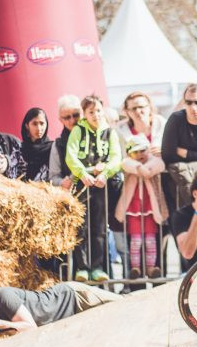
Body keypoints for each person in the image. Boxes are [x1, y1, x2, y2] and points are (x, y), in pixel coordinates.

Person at [66, 95, 122, 282]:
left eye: (98, 110)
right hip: (82, 185)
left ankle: (97, 266)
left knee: (99, 227)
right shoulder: (77, 131)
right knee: (81, 226)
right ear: (85, 114)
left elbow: (115, 157)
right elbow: (71, 156)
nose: (96, 115)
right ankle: (82, 267)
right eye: (91, 112)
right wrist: (82, 174)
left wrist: (105, 173)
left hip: (100, 185)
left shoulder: (110, 132)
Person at [115, 135, 168, 279]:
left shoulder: (154, 162)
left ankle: (151, 268)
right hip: (133, 210)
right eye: (135, 152)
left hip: (151, 209)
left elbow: (159, 164)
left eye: (142, 150)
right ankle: (136, 268)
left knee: (150, 241)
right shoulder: (129, 164)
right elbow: (126, 164)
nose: (139, 155)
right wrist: (139, 168)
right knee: (136, 242)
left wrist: (146, 170)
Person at [0, 282, 122, 334]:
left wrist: (2, 324)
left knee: (126, 303)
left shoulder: (3, 296)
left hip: (74, 297)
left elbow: (30, 327)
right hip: (68, 318)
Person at [117, 91, 167, 157]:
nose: (138, 111)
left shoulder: (163, 125)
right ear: (127, 111)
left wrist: (165, 151)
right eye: (133, 109)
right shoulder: (120, 131)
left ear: (149, 107)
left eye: (141, 107)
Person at [49, 94, 83, 190]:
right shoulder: (58, 145)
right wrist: (62, 182)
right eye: (67, 117)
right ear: (61, 120)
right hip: (75, 198)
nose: (72, 120)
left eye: (76, 115)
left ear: (82, 113)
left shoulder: (95, 135)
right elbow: (53, 178)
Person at [21, 107, 53, 181]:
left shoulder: (52, 148)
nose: (39, 128)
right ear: (27, 126)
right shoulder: (20, 149)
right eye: (34, 124)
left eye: (42, 123)